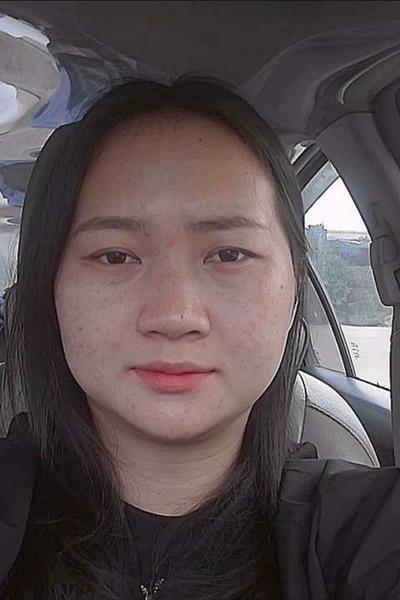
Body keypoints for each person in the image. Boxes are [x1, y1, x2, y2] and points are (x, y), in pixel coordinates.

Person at [0, 75, 398, 600]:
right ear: (50, 289)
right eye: (115, 256)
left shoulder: (367, 532)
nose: (175, 315)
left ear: (294, 287)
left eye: (229, 254)